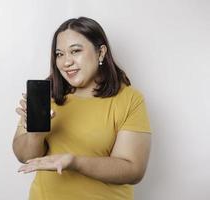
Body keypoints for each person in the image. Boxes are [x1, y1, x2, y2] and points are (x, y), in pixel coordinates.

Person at [13, 16, 151, 200]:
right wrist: (36, 135)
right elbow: (25, 157)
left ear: (101, 52)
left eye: (75, 51)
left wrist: (75, 162)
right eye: (59, 54)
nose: (65, 62)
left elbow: (133, 170)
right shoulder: (45, 96)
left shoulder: (129, 99)